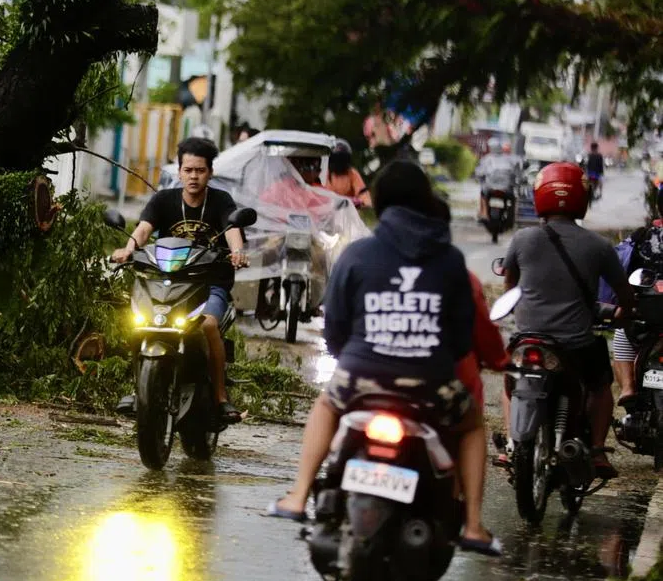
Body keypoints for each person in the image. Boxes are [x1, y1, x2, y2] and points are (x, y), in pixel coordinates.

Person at [265, 160, 500, 555]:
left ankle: (298, 496)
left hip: (362, 377)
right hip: (430, 383)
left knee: (326, 404)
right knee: (473, 425)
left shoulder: (357, 255)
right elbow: (461, 341)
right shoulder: (449, 262)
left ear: (381, 203)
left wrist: (355, 357)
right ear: (425, 201)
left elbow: (334, 330)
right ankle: (474, 526)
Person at [500, 161, 634, 479]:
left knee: (510, 385)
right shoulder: (599, 246)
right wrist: (620, 314)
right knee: (602, 385)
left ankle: (510, 442)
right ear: (583, 199)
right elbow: (624, 297)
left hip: (527, 340)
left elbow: (510, 289)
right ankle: (598, 451)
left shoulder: (522, 239)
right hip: (576, 345)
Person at [112, 137, 249, 423]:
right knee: (136, 320)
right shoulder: (164, 200)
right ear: (180, 172)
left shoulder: (221, 201)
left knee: (208, 325)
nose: (194, 176)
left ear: (210, 172)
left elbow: (232, 229)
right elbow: (143, 229)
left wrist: (237, 252)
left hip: (210, 283)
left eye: (200, 170)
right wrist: (128, 249)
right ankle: (138, 390)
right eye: (188, 170)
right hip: (167, 283)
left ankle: (221, 398)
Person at [610, 184, 663, 404]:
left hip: (648, 316)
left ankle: (628, 389)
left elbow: (620, 270)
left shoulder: (643, 237)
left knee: (622, 335)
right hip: (648, 319)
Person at [475, 138, 522, 222]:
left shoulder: (487, 158)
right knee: (513, 198)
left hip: (493, 188)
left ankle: (485, 214)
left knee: (483, 193)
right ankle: (512, 217)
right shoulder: (508, 158)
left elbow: (479, 172)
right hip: (504, 188)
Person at [325, 141, 371, 208]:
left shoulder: (352, 173)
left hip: (348, 211)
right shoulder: (325, 173)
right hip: (328, 211)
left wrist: (361, 202)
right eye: (337, 159)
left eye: (342, 160)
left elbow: (363, 193)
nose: (339, 163)